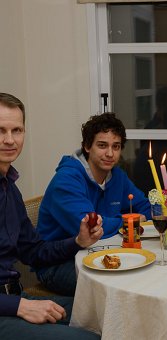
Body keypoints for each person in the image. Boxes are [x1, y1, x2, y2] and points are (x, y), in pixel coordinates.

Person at [0, 93, 102, 340]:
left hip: (15, 297)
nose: (9, 140)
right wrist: (21, 307)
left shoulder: (9, 188)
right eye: (0, 130)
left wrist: (78, 241)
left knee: (107, 313)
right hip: (8, 308)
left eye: (17, 130)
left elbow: (35, 252)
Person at [36, 112, 151, 296]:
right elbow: (90, 228)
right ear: (87, 146)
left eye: (116, 146)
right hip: (58, 265)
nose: (110, 153)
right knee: (121, 286)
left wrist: (132, 217)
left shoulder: (117, 176)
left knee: (145, 273)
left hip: (100, 253)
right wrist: (130, 219)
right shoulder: (66, 180)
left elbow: (147, 208)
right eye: (102, 145)